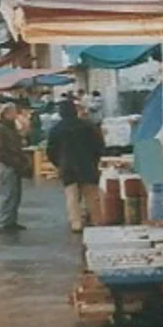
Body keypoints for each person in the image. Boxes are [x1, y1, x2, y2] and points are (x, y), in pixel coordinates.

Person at [47, 100, 105, 233]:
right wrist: (95, 160)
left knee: (72, 196)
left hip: (67, 166)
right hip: (87, 165)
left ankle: (76, 224)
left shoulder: (56, 129)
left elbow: (51, 151)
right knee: (91, 196)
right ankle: (97, 221)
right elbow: (99, 145)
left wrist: (59, 163)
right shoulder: (87, 126)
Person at [0, 104, 29, 233]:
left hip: (13, 163)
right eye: (13, 112)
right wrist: (12, 160)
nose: (15, 114)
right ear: (6, 114)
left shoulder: (10, 128)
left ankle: (11, 221)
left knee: (15, 194)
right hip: (6, 164)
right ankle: (3, 222)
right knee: (7, 193)